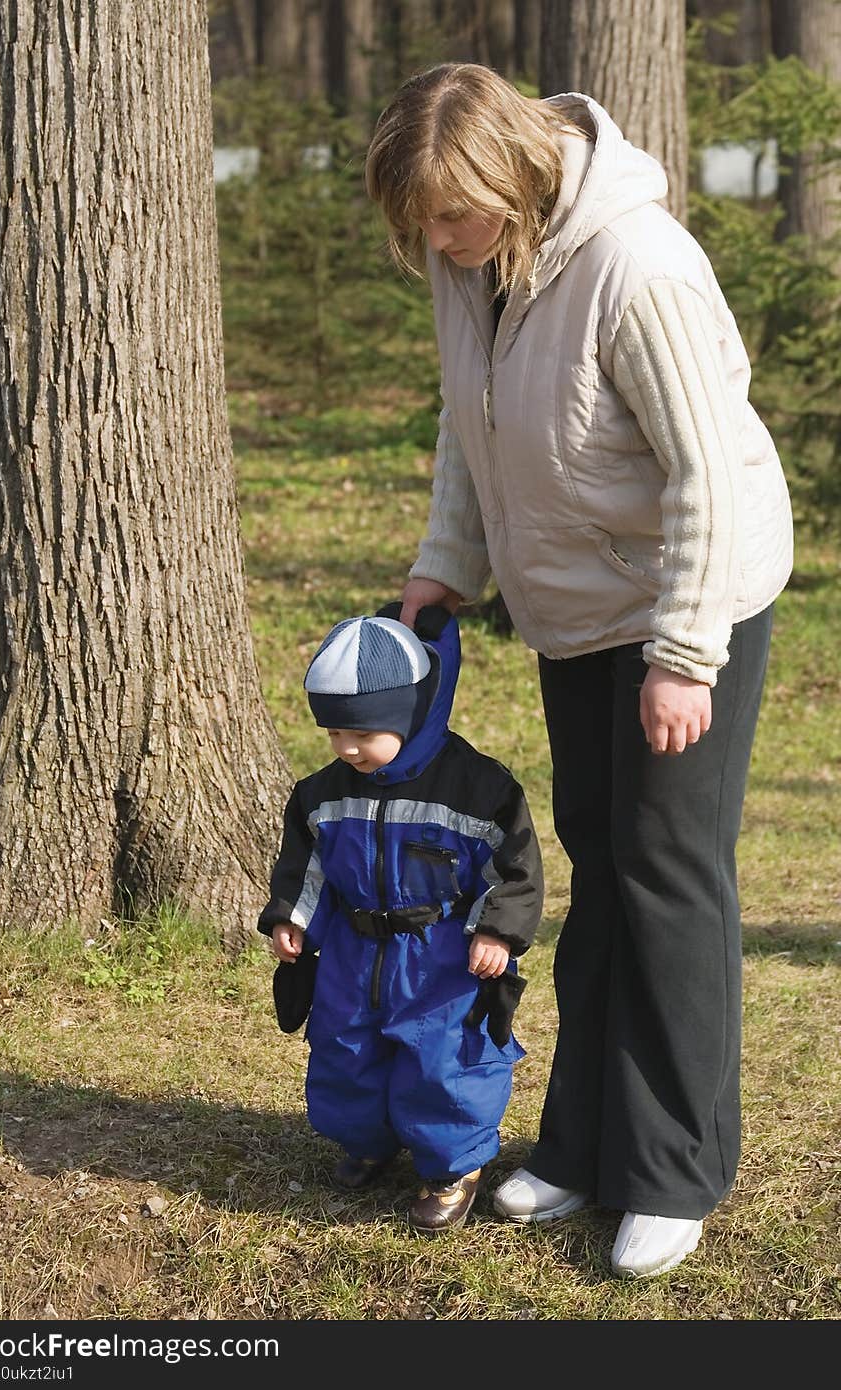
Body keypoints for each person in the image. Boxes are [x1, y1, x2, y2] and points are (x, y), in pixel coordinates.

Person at [364, 63, 794, 1277]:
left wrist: (684, 656)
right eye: (419, 224)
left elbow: (705, 473)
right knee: (598, 855)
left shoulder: (639, 266)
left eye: (451, 214)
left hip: (686, 599)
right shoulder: (470, 260)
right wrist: (445, 560)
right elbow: (472, 418)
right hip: (575, 609)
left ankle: (675, 1168)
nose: (437, 242)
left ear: (510, 175)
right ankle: (585, 1142)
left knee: (667, 871)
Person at [257, 604, 544, 1232]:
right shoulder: (322, 794)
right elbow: (305, 867)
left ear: (411, 716)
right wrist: (294, 919)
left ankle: (451, 1166)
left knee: (444, 1059)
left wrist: (497, 930)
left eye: (363, 733)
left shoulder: (476, 787)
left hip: (442, 958)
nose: (348, 748)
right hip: (353, 953)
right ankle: (366, 1138)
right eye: (334, 733)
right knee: (344, 1046)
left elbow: (514, 869)